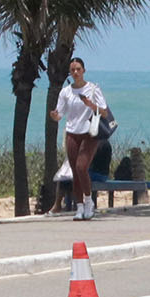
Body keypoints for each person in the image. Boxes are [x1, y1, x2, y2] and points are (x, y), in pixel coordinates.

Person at [50, 57, 112, 222]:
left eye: (78, 69)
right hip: (72, 132)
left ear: (84, 70)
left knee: (81, 166)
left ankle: (88, 201)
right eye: (72, 70)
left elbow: (105, 112)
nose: (75, 72)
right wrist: (55, 116)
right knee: (74, 172)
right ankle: (79, 207)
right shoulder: (66, 92)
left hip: (89, 132)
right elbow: (60, 114)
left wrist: (90, 104)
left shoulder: (93, 89)